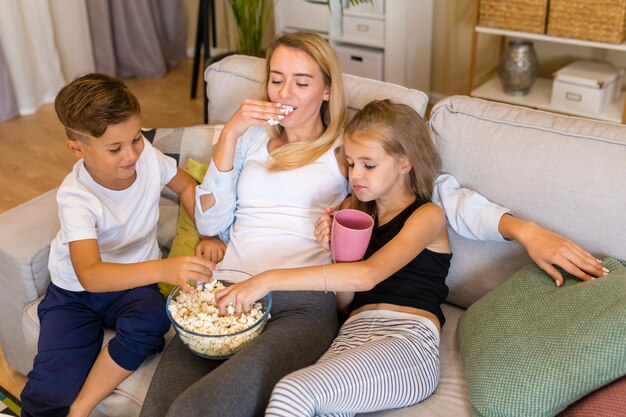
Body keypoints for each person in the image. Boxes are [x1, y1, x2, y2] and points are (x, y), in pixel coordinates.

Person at [140, 31, 606, 417]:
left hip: (300, 300)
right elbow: (211, 218)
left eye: (302, 82)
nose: (284, 94)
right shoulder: (248, 140)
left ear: (327, 89)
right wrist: (230, 140)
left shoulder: (348, 149)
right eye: (277, 80)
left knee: (205, 406)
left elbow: (431, 192)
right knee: (161, 403)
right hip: (231, 289)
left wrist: (523, 229)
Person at [215, 99, 449, 416]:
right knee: (310, 405)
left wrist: (266, 280)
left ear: (404, 162)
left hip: (407, 340)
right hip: (350, 335)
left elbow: (369, 275)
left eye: (369, 165)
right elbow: (344, 302)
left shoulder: (427, 216)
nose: (355, 175)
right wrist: (337, 252)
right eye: (350, 164)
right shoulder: (353, 210)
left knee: (292, 393)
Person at [20, 73, 215, 417]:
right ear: (77, 148)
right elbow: (91, 276)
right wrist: (164, 268)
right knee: (51, 387)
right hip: (74, 294)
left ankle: (80, 408)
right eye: (115, 148)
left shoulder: (148, 158)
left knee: (154, 321)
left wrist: (209, 232)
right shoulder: (76, 197)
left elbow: (187, 188)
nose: (132, 155)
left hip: (133, 285)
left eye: (137, 138)